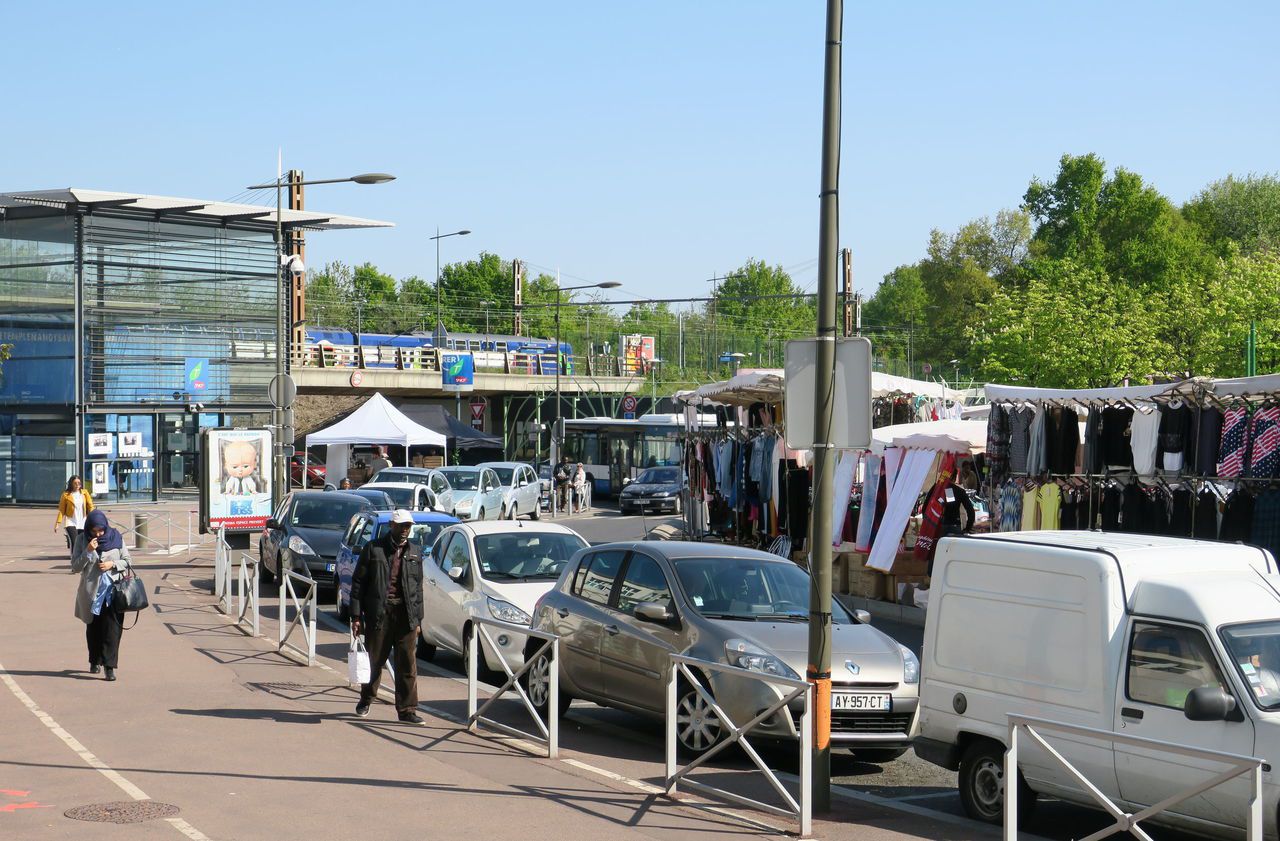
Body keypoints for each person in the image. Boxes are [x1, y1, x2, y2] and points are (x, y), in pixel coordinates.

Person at [350, 509, 425, 724]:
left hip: (406, 616)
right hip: (379, 614)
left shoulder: (415, 552)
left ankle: (407, 710)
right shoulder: (373, 549)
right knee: (374, 661)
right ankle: (366, 699)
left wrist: (418, 620)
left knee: (407, 664)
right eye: (401, 526)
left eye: (408, 527)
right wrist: (356, 616)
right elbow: (358, 584)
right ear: (391, 525)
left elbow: (418, 589)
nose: (404, 531)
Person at [72, 510, 132, 681]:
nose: (98, 534)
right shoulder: (82, 539)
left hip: (113, 592)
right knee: (93, 629)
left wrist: (113, 564)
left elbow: (128, 560)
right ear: (88, 528)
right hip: (91, 593)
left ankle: (109, 666)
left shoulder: (116, 537)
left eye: (101, 530)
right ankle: (94, 660)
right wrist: (88, 551)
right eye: (94, 531)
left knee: (112, 631)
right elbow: (75, 567)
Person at [54, 475, 94, 561]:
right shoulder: (66, 495)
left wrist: (93, 518)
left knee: (83, 543)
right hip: (71, 522)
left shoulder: (84, 493)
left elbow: (90, 506)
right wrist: (57, 523)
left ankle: (82, 561)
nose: (77, 485)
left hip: (82, 522)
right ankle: (74, 561)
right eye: (75, 483)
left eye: (79, 483)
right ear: (71, 484)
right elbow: (61, 510)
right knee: (75, 542)